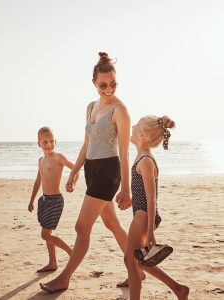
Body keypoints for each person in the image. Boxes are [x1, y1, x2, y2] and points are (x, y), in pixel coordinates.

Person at [40, 52, 142, 293]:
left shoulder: (121, 110)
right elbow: (87, 144)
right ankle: (136, 270)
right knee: (112, 224)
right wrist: (74, 171)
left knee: (81, 227)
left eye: (113, 84)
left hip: (109, 172)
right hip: (91, 170)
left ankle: (64, 278)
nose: (109, 89)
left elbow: (126, 153)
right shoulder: (90, 107)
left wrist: (126, 190)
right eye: (103, 85)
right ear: (94, 82)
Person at [124, 115, 189, 300]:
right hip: (141, 214)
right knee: (140, 262)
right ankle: (178, 289)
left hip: (144, 216)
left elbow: (152, 199)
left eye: (136, 125)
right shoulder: (141, 157)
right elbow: (141, 192)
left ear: (143, 134)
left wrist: (150, 231)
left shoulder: (146, 161)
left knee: (130, 261)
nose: (133, 126)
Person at [28, 126, 78, 272]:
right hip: (44, 200)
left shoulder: (59, 157)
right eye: (45, 142)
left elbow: (76, 170)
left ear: (55, 141)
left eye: (51, 141)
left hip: (56, 200)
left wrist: (72, 183)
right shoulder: (41, 160)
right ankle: (53, 263)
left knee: (44, 234)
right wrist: (31, 200)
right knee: (48, 234)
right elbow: (38, 181)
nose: (49, 145)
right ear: (39, 144)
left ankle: (72, 253)